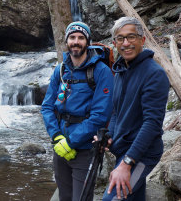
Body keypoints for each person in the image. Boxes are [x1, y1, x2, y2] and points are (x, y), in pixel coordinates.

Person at [41, 21, 114, 201]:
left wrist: (71, 142)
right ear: (66, 41)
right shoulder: (60, 70)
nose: (76, 41)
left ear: (87, 42)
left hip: (86, 149)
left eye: (81, 38)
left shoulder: (101, 71)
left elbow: (100, 115)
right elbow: (47, 107)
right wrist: (56, 136)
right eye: (72, 37)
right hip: (60, 147)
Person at [101, 16, 170, 201]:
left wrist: (126, 163)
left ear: (142, 39)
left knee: (112, 199)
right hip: (124, 149)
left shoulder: (154, 74)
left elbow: (152, 124)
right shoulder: (121, 71)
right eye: (120, 38)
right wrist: (109, 136)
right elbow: (117, 111)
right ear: (114, 43)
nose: (126, 43)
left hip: (142, 154)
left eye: (131, 37)